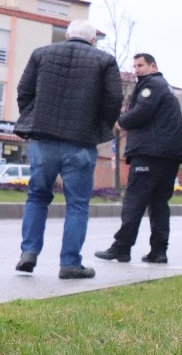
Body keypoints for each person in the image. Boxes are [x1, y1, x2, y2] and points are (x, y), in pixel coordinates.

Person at [14, 20, 124, 279]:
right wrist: (100, 126)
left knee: (37, 197)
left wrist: (33, 117)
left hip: (43, 139)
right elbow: (114, 99)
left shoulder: (41, 54)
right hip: (81, 142)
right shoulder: (104, 61)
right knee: (77, 205)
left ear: (67, 35)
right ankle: (70, 263)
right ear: (93, 39)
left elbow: (23, 91)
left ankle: (29, 253)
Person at [95, 53, 182, 264]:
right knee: (159, 203)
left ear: (153, 66)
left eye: (141, 65)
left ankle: (121, 248)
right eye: (135, 66)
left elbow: (142, 112)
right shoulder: (164, 86)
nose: (137, 70)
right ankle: (159, 250)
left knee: (134, 201)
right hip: (169, 155)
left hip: (149, 154)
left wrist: (121, 122)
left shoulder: (151, 85)